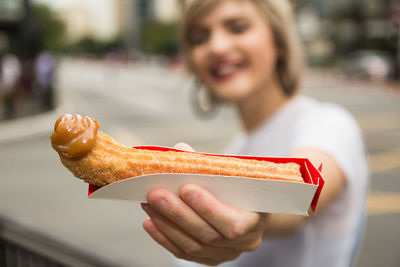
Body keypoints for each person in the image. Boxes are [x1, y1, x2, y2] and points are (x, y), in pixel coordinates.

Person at [140, 1, 369, 266]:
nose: (217, 46)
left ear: (279, 41)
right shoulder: (235, 150)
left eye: (238, 28)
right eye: (198, 38)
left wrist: (257, 221)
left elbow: (297, 197)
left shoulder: (329, 123)